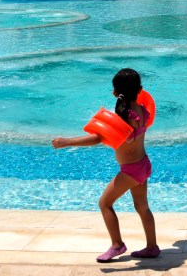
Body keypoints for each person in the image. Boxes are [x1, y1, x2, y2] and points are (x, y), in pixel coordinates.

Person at [52, 68, 160, 262]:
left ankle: (117, 245)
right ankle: (152, 247)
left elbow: (98, 138)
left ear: (115, 93)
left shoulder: (124, 116)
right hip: (143, 164)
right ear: (140, 90)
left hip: (131, 170)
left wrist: (67, 142)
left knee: (105, 203)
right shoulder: (142, 111)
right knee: (142, 207)